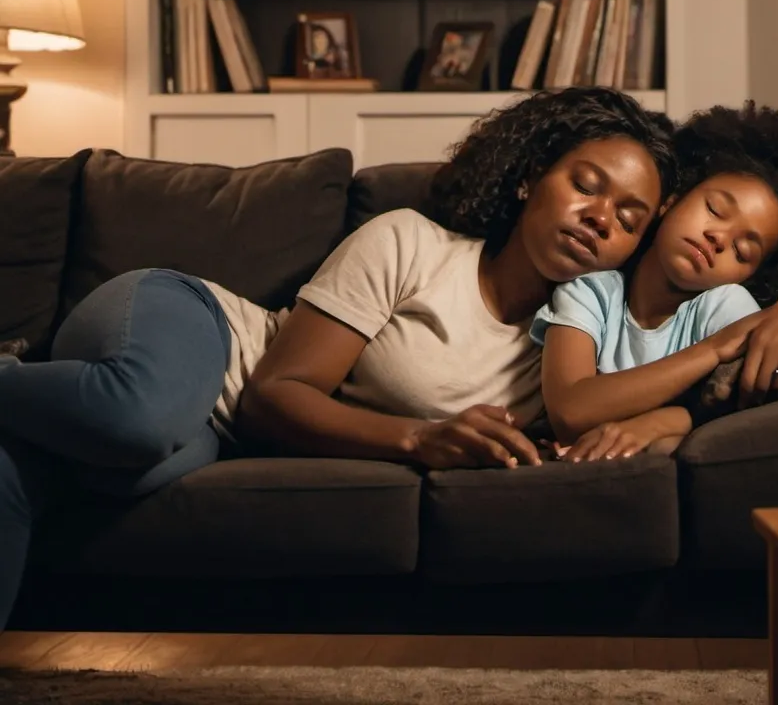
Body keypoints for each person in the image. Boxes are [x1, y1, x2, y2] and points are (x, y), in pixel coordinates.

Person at [0, 87, 680, 631]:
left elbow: (674, 400)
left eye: (629, 217)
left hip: (212, 433)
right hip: (191, 325)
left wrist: (670, 416)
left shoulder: (579, 354)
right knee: (134, 417)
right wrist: (419, 439)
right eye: (587, 185)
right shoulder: (412, 243)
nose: (600, 218)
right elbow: (274, 394)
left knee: (44, 474)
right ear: (533, 178)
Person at [533, 103, 778, 462]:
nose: (718, 238)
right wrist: (713, 349)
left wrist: (656, 424)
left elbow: (738, 415)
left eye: (742, 251)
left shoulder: (726, 304)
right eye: (715, 210)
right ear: (670, 202)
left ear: (747, 276)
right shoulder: (589, 291)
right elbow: (571, 412)